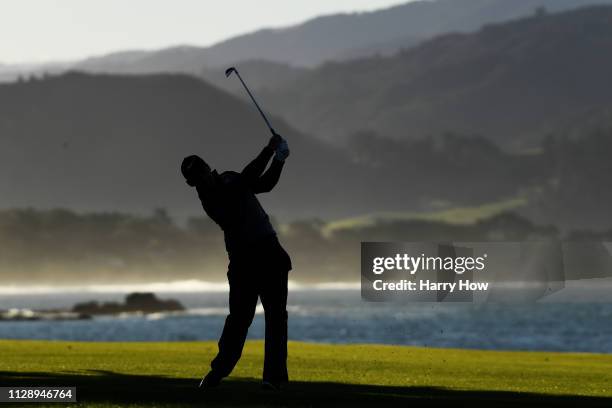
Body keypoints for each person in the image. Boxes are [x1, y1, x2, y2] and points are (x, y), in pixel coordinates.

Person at [181, 132, 292, 391]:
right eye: (197, 178)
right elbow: (249, 178)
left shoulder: (231, 178)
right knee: (240, 319)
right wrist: (268, 150)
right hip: (244, 261)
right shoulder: (211, 199)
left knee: (277, 318)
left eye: (203, 171)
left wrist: (279, 160)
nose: (203, 177)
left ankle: (273, 379)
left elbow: (264, 184)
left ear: (208, 166)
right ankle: (218, 372)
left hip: (271, 253)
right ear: (192, 183)